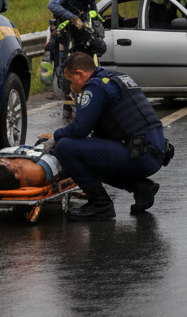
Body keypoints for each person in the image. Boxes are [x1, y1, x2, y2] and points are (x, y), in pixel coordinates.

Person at [45, 52, 170, 221]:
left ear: (80, 74)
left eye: (70, 81)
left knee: (65, 148)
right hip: (153, 152)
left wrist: (55, 137)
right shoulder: (115, 77)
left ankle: (100, 205)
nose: (70, 86)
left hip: (141, 156)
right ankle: (141, 188)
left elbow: (80, 128)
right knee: (89, 153)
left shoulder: (96, 87)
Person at [47, 0, 101, 119]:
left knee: (85, 64)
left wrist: (94, 22)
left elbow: (92, 9)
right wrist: (72, 17)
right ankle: (67, 104)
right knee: (66, 66)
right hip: (65, 32)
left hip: (81, 31)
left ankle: (86, 101)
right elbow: (52, 5)